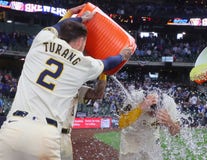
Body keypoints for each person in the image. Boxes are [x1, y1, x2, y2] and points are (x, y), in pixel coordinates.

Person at [0, 3, 132, 159]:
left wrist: (77, 16)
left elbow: (57, 26)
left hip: (13, 127)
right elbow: (108, 63)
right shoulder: (82, 63)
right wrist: (122, 55)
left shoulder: (42, 39)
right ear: (81, 42)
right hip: (45, 134)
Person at [118, 90, 180, 160]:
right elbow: (121, 123)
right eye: (151, 109)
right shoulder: (134, 98)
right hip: (130, 140)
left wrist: (169, 122)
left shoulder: (169, 103)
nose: (153, 114)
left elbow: (176, 133)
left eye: (156, 110)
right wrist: (140, 108)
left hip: (152, 140)